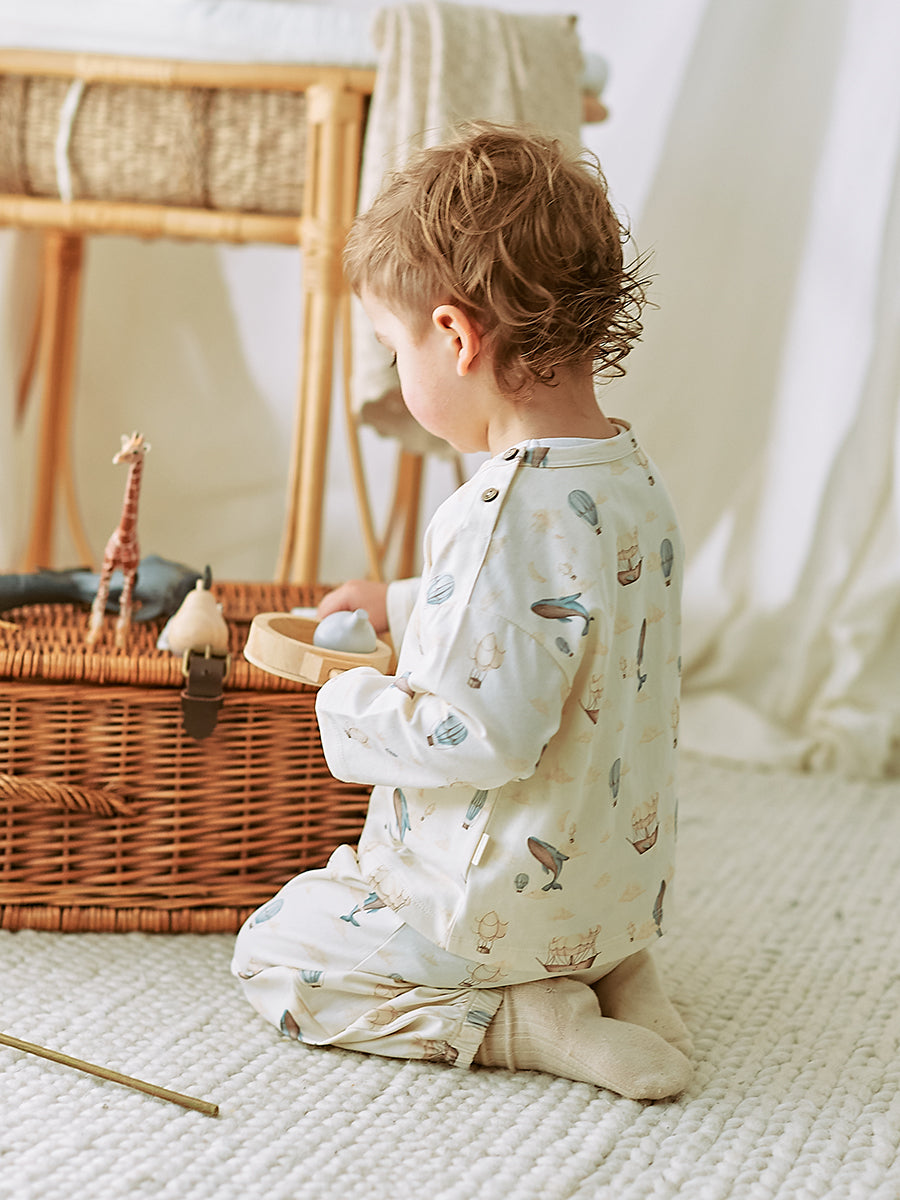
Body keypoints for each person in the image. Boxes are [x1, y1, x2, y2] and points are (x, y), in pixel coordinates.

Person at [232, 123, 692, 1099]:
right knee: (569, 872)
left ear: (455, 335)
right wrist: (401, 603)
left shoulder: (498, 512)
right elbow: (564, 615)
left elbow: (479, 733)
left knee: (278, 949)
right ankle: (616, 968)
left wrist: (347, 699)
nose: (398, 371)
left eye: (393, 347)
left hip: (485, 913)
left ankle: (522, 1019)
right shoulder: (628, 478)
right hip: (611, 891)